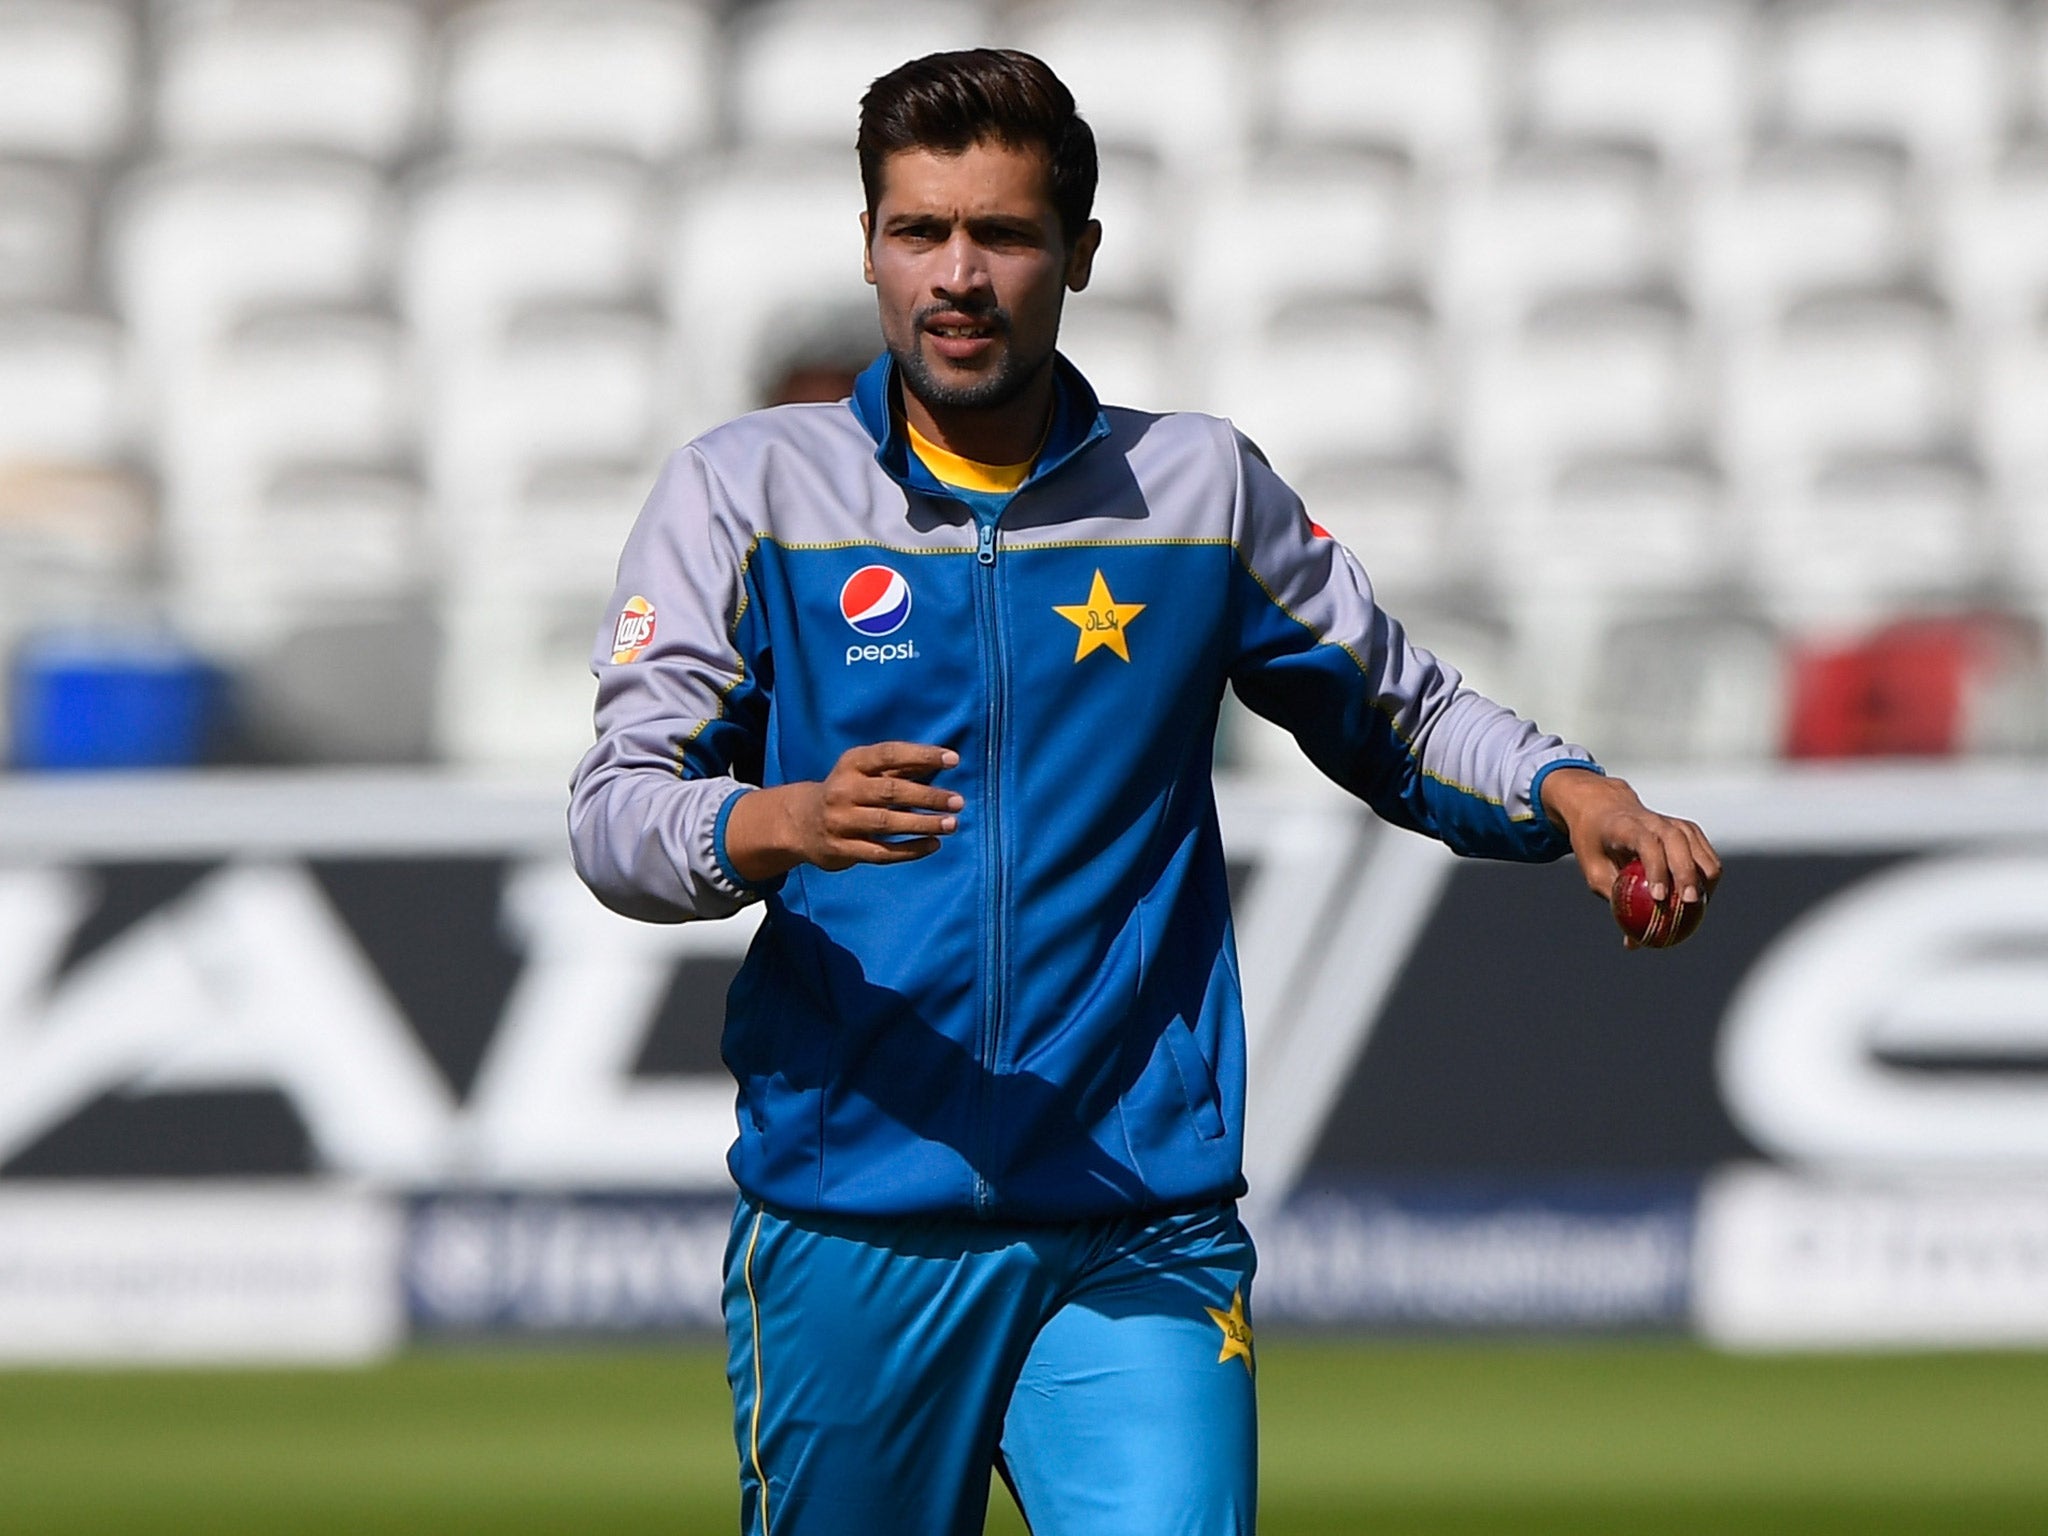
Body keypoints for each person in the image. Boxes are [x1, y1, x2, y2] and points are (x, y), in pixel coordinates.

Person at [569, 47, 1719, 1536]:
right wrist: (770, 821)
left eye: (1005, 234)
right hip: (851, 1221)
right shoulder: (743, 492)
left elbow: (1400, 710)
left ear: (1082, 253)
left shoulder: (1197, 493)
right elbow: (615, 813)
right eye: (920, 232)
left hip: (1138, 1224)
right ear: (868, 246)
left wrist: (1571, 793)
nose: (959, 275)